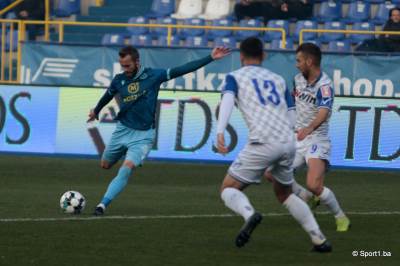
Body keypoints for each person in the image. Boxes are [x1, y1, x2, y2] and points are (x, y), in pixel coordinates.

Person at [216, 37, 331, 252]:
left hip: (262, 141)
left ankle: (250, 215)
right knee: (284, 194)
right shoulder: (278, 79)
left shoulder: (234, 77)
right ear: (263, 56)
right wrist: (291, 134)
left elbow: (228, 100)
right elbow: (291, 112)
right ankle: (320, 240)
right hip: (288, 142)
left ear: (241, 56)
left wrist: (220, 130)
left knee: (228, 188)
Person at [88, 45, 230, 216]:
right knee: (105, 165)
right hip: (122, 130)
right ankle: (123, 153)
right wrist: (96, 110)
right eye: (122, 65)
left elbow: (181, 70)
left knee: (126, 167)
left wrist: (210, 58)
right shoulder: (119, 80)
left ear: (137, 62)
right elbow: (108, 95)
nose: (124, 69)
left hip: (143, 136)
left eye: (127, 65)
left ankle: (102, 205)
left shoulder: (153, 76)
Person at [290, 43, 351, 232]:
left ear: (309, 61)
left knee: (314, 183)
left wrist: (309, 128)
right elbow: (295, 104)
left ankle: (341, 217)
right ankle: (306, 197)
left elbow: (324, 112)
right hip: (297, 137)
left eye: (299, 61)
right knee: (272, 174)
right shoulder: (297, 80)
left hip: (316, 139)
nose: (296, 64)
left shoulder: (325, 85)